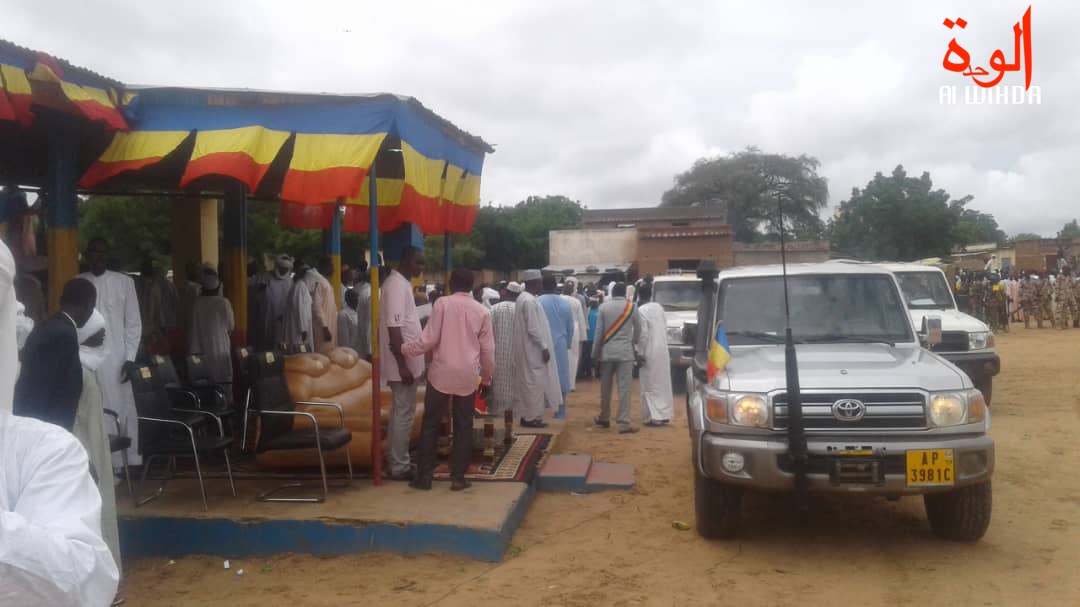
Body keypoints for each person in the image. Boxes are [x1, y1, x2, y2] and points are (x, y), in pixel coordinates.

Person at [0, 238, 120, 607]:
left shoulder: (54, 329)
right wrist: (59, 440)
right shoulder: (63, 334)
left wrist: (56, 444)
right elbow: (50, 395)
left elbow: (75, 575)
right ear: (87, 308)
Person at [403, 268, 495, 492]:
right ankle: (458, 478)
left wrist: (404, 349)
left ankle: (424, 478)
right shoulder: (482, 311)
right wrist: (486, 379)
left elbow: (428, 339)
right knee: (464, 425)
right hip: (467, 375)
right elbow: (488, 351)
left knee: (430, 425)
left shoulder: (442, 304)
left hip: (440, 374)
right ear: (471, 286)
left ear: (451, 284)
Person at [78, 239, 143, 466]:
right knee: (92, 407)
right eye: (94, 252)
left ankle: (124, 461)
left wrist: (130, 358)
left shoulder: (124, 283)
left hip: (117, 358)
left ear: (108, 255)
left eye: (102, 252)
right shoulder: (78, 282)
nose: (98, 257)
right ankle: (100, 464)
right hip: (85, 356)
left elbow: (133, 323)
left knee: (120, 405)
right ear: (87, 255)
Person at [73, 308, 122, 576]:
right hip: (85, 451)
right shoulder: (78, 371)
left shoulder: (87, 368)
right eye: (100, 332)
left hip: (96, 447)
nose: (104, 337)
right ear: (87, 334)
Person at [14, 278, 97, 430]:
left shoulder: (48, 326)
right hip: (47, 426)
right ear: (88, 307)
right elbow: (51, 388)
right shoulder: (64, 335)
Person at [381, 246, 426, 481]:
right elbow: (394, 328)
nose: (421, 268)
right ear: (406, 261)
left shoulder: (402, 284)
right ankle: (400, 466)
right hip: (402, 364)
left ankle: (395, 459)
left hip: (407, 361)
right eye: (418, 262)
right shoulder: (396, 285)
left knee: (400, 412)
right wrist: (402, 365)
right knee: (404, 413)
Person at [511, 269, 561, 428]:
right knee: (534, 384)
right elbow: (533, 328)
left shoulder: (524, 298)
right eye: (539, 282)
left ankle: (531, 416)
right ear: (534, 282)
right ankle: (530, 418)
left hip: (528, 349)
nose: (541, 284)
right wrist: (544, 347)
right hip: (532, 350)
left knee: (530, 383)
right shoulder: (529, 301)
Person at [592, 282, 641, 434]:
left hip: (607, 352)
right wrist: (632, 342)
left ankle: (604, 417)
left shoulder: (603, 307)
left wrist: (594, 354)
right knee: (624, 389)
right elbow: (638, 329)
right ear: (625, 293)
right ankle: (623, 423)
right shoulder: (632, 307)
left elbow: (598, 333)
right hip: (625, 353)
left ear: (612, 292)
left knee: (605, 388)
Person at [634, 284, 674, 426]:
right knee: (663, 383)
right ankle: (664, 414)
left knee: (650, 384)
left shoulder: (641, 310)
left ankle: (656, 417)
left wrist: (639, 352)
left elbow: (643, 334)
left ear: (639, 295)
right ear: (651, 294)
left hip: (649, 351)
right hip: (662, 349)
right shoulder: (659, 307)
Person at [188, 265, 235, 384]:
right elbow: (231, 327)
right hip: (220, 348)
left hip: (200, 349)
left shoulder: (197, 303)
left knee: (206, 383)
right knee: (223, 382)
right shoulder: (224, 303)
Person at [538, 274, 574, 420]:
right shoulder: (565, 304)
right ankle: (560, 412)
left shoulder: (537, 302)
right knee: (562, 377)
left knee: (540, 377)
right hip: (560, 343)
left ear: (542, 285)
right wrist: (568, 343)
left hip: (542, 345)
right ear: (555, 285)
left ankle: (539, 412)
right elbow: (570, 327)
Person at [488, 282, 520, 417]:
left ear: (506, 292)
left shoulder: (493, 309)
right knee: (515, 384)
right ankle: (513, 414)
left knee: (498, 384)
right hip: (517, 354)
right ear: (518, 295)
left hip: (497, 355)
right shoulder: (520, 310)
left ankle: (498, 412)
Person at [251, 254, 293, 351]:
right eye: (282, 268)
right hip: (267, 315)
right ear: (277, 267)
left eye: (285, 269)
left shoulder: (290, 281)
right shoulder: (264, 278)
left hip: (283, 318)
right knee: (266, 340)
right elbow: (256, 296)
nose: (283, 271)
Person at [561, 281, 587, 393]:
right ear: (572, 290)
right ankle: (571, 384)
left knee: (561, 357)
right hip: (574, 331)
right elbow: (581, 319)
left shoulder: (559, 299)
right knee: (574, 357)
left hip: (561, 329)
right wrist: (583, 337)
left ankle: (562, 383)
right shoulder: (576, 302)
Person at [309, 258, 338, 353]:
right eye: (331, 266)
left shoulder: (325, 282)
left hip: (329, 326)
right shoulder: (320, 283)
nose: (333, 269)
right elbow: (316, 307)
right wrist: (325, 327)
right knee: (322, 356)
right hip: (323, 330)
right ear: (325, 267)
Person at [283, 262, 314, 351]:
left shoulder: (302, 286)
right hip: (298, 328)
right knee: (298, 351)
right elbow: (299, 309)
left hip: (301, 326)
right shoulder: (300, 286)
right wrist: (303, 328)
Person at [337, 288, 364, 355]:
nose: (356, 300)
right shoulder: (343, 314)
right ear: (347, 300)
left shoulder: (358, 312)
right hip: (349, 353)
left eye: (356, 298)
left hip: (360, 350)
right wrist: (348, 353)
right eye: (353, 298)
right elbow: (344, 340)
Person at [579, 297, 599, 380]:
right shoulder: (588, 311)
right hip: (589, 338)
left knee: (593, 357)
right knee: (588, 357)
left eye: (594, 302)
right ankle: (589, 373)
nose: (593, 304)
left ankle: (595, 372)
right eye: (592, 302)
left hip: (594, 338)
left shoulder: (599, 311)